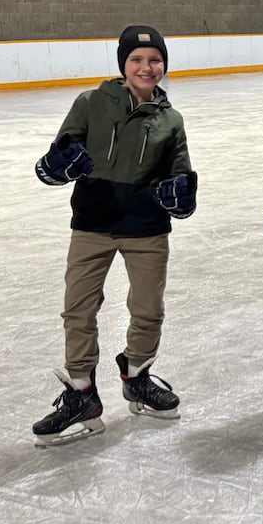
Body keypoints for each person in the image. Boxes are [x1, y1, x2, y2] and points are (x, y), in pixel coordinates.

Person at [31, 25, 196, 447]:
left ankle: (137, 376)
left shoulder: (170, 120)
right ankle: (82, 393)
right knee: (78, 310)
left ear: (164, 65)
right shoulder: (91, 104)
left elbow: (181, 174)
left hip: (146, 228)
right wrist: (57, 164)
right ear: (123, 64)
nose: (147, 67)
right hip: (93, 223)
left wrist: (181, 196)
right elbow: (55, 160)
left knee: (147, 309)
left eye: (155, 60)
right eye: (138, 59)